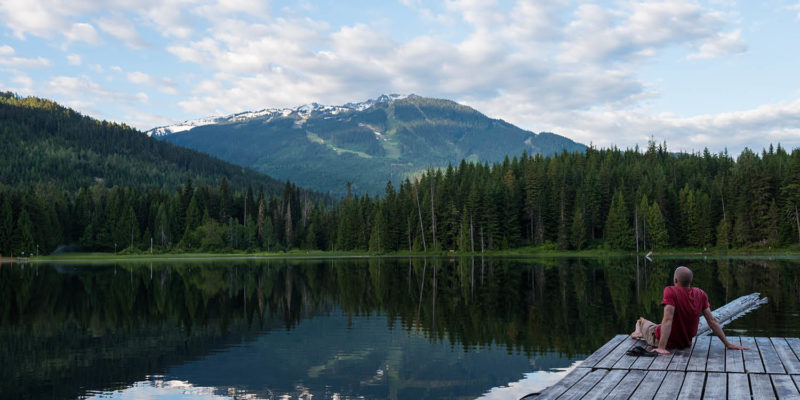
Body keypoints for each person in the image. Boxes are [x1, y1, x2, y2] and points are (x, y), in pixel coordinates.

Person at [630, 266, 748, 355]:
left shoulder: (670, 291)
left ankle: (638, 333)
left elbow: (667, 320)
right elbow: (712, 321)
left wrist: (661, 348)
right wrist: (727, 344)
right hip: (685, 342)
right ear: (690, 281)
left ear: (675, 280)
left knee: (641, 321)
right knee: (658, 326)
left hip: (661, 339)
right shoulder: (700, 294)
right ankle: (641, 334)